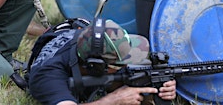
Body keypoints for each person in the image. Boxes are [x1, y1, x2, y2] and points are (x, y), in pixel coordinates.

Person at [27, 18, 177, 104]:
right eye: (120, 65)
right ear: (96, 67)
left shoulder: (90, 38)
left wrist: (158, 84)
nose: (126, 66)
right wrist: (113, 99)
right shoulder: (48, 76)